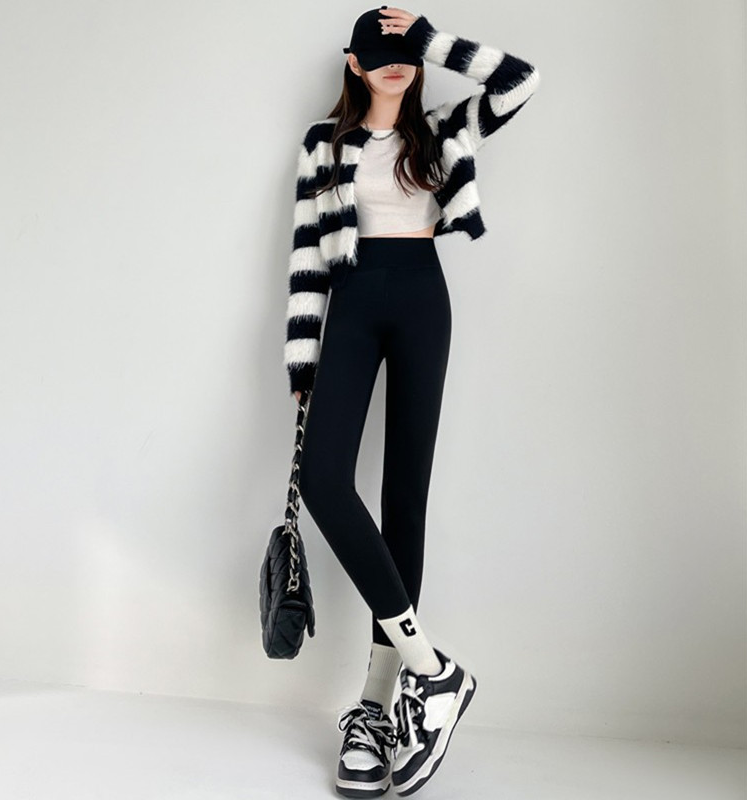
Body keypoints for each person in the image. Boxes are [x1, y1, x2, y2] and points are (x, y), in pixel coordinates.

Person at [283, 6, 540, 796]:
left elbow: (519, 80)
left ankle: (375, 707)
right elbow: (306, 255)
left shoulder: (443, 129)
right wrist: (303, 360)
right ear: (355, 64)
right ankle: (433, 671)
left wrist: (430, 37)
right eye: (381, 51)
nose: (396, 61)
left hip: (423, 300)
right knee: (325, 480)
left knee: (404, 502)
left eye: (407, 53)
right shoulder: (322, 145)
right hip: (352, 303)